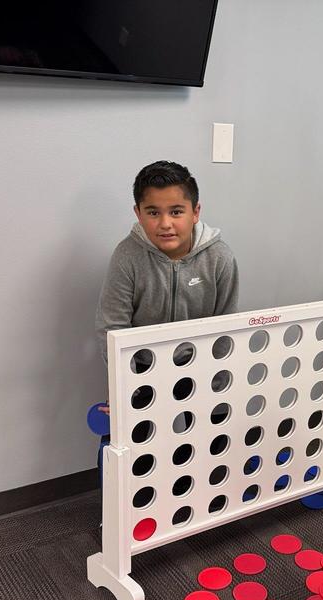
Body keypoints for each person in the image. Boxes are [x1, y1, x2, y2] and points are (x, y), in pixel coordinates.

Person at [94, 160, 239, 459]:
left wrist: (218, 388)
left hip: (199, 365)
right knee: (140, 451)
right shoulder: (127, 257)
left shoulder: (220, 258)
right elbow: (112, 327)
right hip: (145, 366)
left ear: (195, 212)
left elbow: (226, 327)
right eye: (153, 212)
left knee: (208, 447)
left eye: (176, 212)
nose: (165, 223)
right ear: (138, 213)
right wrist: (127, 385)